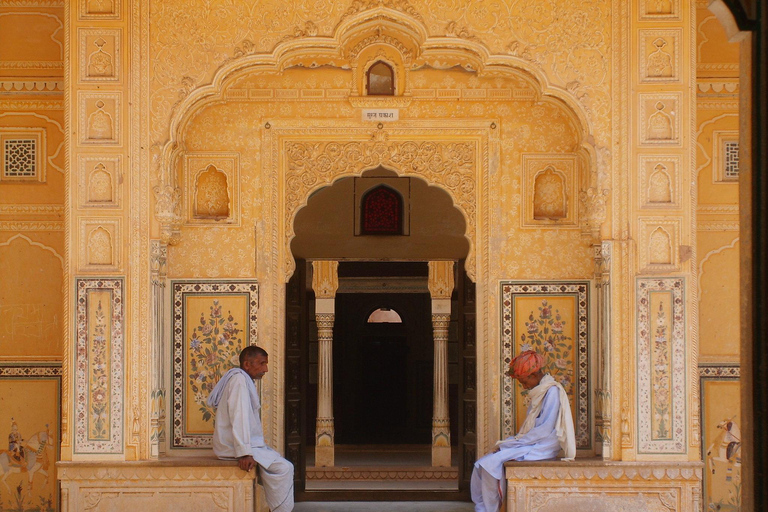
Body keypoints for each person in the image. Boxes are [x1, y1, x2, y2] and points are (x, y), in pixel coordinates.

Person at [470, 350, 576, 512]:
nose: (524, 386)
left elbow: (545, 429)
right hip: (532, 443)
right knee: (482, 464)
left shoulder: (552, 392)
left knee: (488, 465)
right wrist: (512, 443)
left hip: (542, 447)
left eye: (524, 382)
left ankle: (489, 509)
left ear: (533, 375)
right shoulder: (541, 392)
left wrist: (512, 443)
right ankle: (482, 508)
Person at [207, 346, 294, 512]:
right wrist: (244, 453)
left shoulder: (243, 380)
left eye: (266, 364)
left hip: (243, 446)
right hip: (233, 447)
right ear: (247, 364)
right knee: (284, 468)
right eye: (261, 364)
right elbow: (239, 417)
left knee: (281, 465)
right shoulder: (239, 381)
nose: (265, 369)